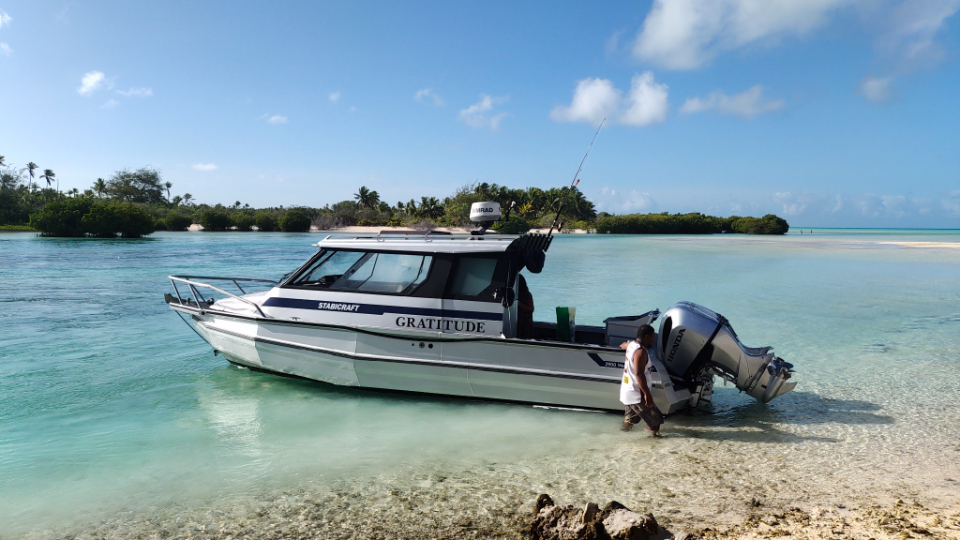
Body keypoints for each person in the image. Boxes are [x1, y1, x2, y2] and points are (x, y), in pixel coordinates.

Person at [619, 324, 664, 436]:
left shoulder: (632, 345)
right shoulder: (641, 352)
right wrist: (647, 395)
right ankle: (652, 443)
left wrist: (623, 345)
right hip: (637, 395)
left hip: (627, 392)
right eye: (653, 337)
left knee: (629, 422)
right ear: (647, 337)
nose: (653, 341)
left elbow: (624, 345)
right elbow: (639, 374)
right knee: (655, 421)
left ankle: (620, 438)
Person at [516, 274, 534, 339]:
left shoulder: (527, 295)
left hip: (525, 323)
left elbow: (531, 309)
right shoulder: (515, 294)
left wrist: (520, 305)